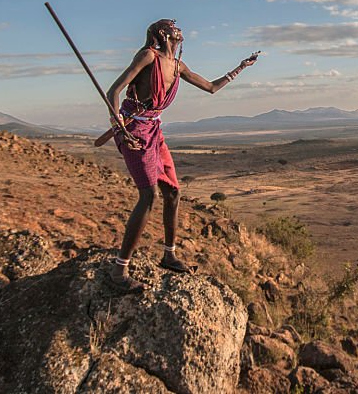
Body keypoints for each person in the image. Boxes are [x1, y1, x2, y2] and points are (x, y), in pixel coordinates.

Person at [104, 18, 258, 291]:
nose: (180, 31)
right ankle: (119, 270)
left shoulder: (178, 66)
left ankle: (169, 254)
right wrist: (120, 126)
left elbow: (210, 87)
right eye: (174, 27)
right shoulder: (147, 56)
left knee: (173, 192)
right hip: (134, 130)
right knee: (148, 195)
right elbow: (113, 91)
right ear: (163, 34)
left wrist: (241, 68)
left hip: (154, 130)